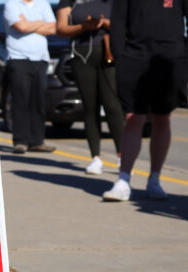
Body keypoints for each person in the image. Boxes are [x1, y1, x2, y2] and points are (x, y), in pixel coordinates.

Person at [103, 0, 188, 201]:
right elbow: (118, 20)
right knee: (134, 116)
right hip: (134, 57)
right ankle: (123, 180)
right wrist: (119, 55)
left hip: (171, 59)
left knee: (162, 117)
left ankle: (154, 179)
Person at [56, 0, 124, 174]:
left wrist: (107, 24)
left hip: (109, 52)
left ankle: (122, 157)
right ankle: (95, 157)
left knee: (112, 105)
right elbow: (61, 29)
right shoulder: (70, 2)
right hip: (81, 55)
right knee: (90, 106)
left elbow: (128, 25)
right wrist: (84, 27)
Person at [4, 0, 58, 154]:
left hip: (40, 59)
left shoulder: (43, 4)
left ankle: (37, 141)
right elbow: (20, 27)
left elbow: (53, 28)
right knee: (21, 99)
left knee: (38, 100)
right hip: (18, 58)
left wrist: (30, 24)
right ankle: (20, 141)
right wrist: (41, 23)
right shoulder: (12, 4)